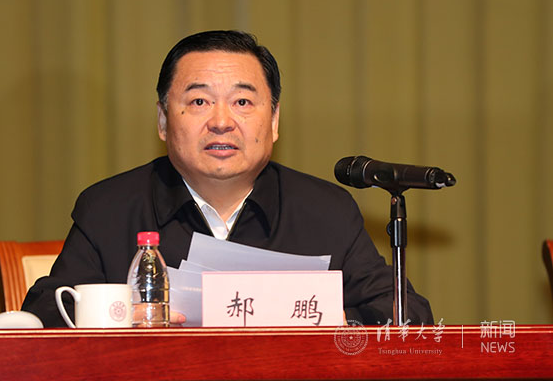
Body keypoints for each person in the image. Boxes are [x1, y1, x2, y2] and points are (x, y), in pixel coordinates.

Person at [22, 30, 433, 327]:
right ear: (163, 120)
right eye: (199, 101)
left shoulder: (325, 210)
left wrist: (340, 322)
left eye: (242, 102)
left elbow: (408, 314)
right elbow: (43, 313)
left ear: (274, 120)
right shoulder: (110, 208)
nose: (221, 122)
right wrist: (120, 319)